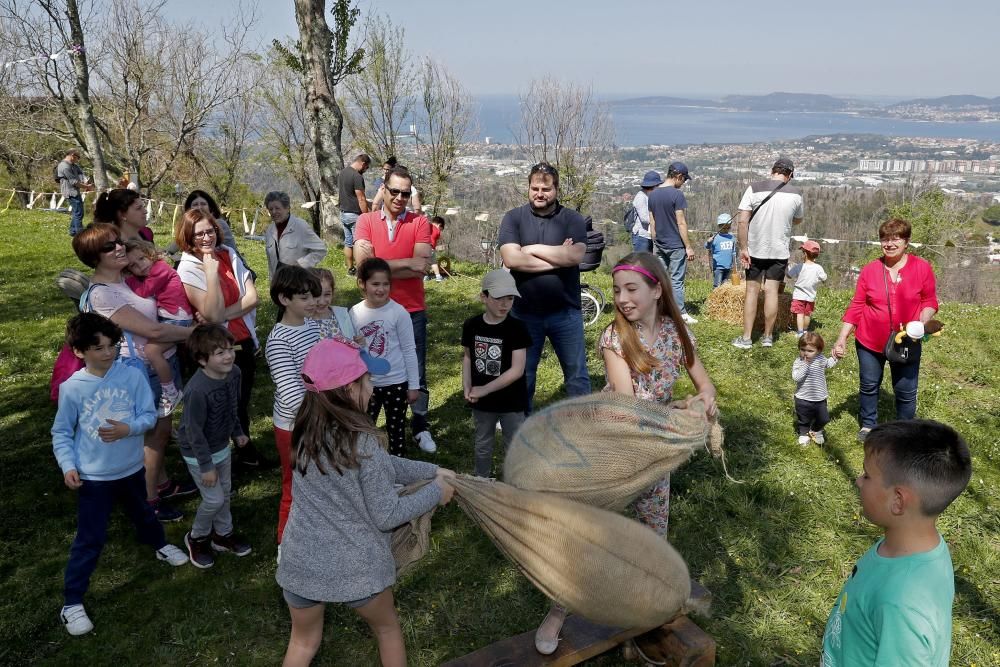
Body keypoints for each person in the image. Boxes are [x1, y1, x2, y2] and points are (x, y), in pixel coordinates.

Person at [535, 250, 717, 655]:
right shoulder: (615, 338)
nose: (621, 298)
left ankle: (639, 615)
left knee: (652, 536)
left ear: (657, 290)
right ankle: (559, 611)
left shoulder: (677, 334)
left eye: (631, 288)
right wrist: (677, 414)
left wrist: (705, 400)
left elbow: (704, 383)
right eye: (617, 290)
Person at [275, 337, 455, 667]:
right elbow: (387, 514)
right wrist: (435, 491)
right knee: (387, 630)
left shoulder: (305, 433)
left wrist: (432, 471)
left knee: (302, 643)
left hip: (300, 563)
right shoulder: (363, 442)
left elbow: (383, 466)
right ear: (348, 389)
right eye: (367, 380)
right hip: (356, 568)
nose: (373, 387)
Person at [52, 312, 188, 636]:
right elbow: (61, 432)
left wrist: (130, 428)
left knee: (143, 511)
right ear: (80, 352)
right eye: (99, 348)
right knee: (90, 537)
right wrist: (68, 466)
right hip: (94, 478)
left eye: (112, 345)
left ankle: (159, 544)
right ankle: (72, 603)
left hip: (131, 469)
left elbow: (147, 416)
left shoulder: (132, 376)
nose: (108, 353)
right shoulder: (73, 388)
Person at [822, 420, 971, 666]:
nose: (859, 481)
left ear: (898, 501)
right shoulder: (916, 545)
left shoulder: (902, 605)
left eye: (867, 476)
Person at [72, 223, 194, 522]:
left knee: (156, 433)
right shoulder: (102, 294)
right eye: (108, 247)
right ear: (94, 258)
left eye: (118, 242)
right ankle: (148, 501)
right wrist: (197, 333)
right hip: (142, 373)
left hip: (160, 363)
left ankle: (161, 483)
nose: (118, 248)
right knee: (155, 434)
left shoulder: (127, 278)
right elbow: (151, 328)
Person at [831, 218, 939, 442]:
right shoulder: (871, 270)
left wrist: (921, 323)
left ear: (906, 241)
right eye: (884, 239)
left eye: (895, 239)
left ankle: (904, 430)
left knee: (906, 390)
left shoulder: (922, 268)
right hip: (870, 340)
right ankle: (869, 424)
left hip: (907, 340)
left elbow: (930, 301)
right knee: (869, 384)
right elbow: (857, 305)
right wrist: (842, 338)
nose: (889, 244)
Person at [355, 167, 437, 453]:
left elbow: (421, 266)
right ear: (384, 188)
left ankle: (421, 426)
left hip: (411, 309)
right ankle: (370, 427)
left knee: (417, 368)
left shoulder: (420, 223)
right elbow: (361, 265)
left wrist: (378, 265)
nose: (401, 197)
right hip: (373, 310)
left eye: (406, 193)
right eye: (395, 191)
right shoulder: (365, 221)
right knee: (371, 367)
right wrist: (403, 265)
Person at [498, 161, 590, 413]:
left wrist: (532, 249)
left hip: (566, 312)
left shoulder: (572, 219)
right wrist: (558, 256)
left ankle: (583, 426)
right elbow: (511, 259)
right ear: (528, 188)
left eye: (546, 189)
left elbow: (575, 256)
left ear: (556, 189)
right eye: (535, 187)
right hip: (524, 313)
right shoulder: (513, 218)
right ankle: (523, 428)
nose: (540, 193)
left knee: (577, 375)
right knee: (524, 376)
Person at [176, 209, 262, 466]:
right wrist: (211, 273)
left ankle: (242, 453)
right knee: (218, 408)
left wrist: (219, 314)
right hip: (215, 350)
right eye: (199, 233)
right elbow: (210, 313)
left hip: (243, 340)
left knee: (240, 401)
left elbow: (252, 298)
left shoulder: (229, 254)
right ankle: (214, 459)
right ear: (188, 237)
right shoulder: (188, 267)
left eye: (210, 231)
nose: (206, 238)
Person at [177, 324, 252, 569]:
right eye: (219, 353)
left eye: (230, 349)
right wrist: (206, 465)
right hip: (199, 455)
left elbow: (232, 407)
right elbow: (193, 431)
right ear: (202, 359)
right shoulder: (197, 391)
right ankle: (197, 537)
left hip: (222, 447)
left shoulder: (235, 373)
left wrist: (238, 432)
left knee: (225, 493)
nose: (229, 356)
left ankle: (223, 535)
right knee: (214, 499)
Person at [264, 265, 322, 546]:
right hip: (294, 426)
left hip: (317, 419)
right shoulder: (278, 341)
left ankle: (312, 537)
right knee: (294, 486)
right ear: (284, 299)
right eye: (305, 298)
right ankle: (284, 548)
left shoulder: (311, 326)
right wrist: (320, 417)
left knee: (316, 482)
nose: (313, 303)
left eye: (313, 296)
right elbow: (291, 394)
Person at [461, 269, 531, 478]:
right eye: (498, 298)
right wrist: (467, 385)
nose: (505, 304)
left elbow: (517, 369)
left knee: (513, 444)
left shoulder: (517, 328)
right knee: (483, 443)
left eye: (509, 298)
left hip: (512, 402)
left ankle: (514, 484)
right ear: (484, 297)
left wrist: (485, 389)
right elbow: (468, 357)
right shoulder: (471, 325)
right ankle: (481, 481)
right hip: (482, 402)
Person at [351, 258, 421, 457]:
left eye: (385, 284)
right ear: (362, 284)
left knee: (396, 429)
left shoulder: (399, 313)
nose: (381, 289)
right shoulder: (354, 313)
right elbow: (349, 350)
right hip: (366, 385)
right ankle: (368, 466)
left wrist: (413, 385)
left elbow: (409, 349)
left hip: (396, 383)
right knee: (365, 430)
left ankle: (398, 466)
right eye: (375, 284)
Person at [732, 157, 804, 349]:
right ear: (790, 175)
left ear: (772, 170)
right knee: (772, 292)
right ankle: (768, 337)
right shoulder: (796, 194)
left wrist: (743, 248)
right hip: (779, 251)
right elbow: (797, 220)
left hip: (755, 249)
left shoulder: (753, 188)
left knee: (751, 292)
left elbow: (742, 221)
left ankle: (746, 338)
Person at [124, 239, 193, 417]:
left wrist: (125, 282)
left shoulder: (160, 268)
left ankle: (170, 391)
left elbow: (144, 290)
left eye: (141, 259)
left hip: (177, 319)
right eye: (133, 265)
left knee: (152, 350)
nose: (140, 266)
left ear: (150, 254)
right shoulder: (153, 271)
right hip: (171, 317)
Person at [649, 162, 697, 324]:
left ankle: (658, 309)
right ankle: (680, 313)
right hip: (676, 245)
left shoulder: (653, 194)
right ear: (678, 176)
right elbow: (681, 222)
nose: (683, 183)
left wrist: (656, 241)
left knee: (659, 279)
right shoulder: (677, 195)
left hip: (660, 243)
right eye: (683, 180)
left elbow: (652, 221)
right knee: (677, 280)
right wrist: (688, 247)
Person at [263, 191, 328, 279]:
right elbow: (271, 263)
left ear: (287, 208)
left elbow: (321, 250)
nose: (274, 212)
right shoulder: (269, 231)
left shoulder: (301, 226)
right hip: (278, 282)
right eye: (271, 209)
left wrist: (301, 264)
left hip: (299, 280)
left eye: (277, 208)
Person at [791, 332, 837, 446]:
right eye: (803, 350)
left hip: (820, 397)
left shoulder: (820, 359)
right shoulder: (799, 362)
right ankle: (803, 434)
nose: (806, 353)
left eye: (810, 351)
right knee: (804, 419)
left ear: (819, 351)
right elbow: (796, 377)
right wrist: (806, 365)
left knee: (824, 418)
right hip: (802, 398)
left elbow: (828, 364)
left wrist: (836, 358)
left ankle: (815, 430)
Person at [337, 153, 371, 276]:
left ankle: (351, 269)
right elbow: (361, 198)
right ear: (363, 163)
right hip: (355, 214)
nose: (365, 171)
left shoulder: (343, 173)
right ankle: (361, 270)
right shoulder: (356, 176)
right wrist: (366, 215)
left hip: (344, 213)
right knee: (359, 243)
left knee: (348, 242)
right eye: (366, 168)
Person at [787, 240, 827, 337]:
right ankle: (805, 330)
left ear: (805, 254)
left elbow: (789, 275)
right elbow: (824, 278)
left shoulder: (799, 267)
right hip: (811, 296)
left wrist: (786, 268)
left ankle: (800, 332)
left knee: (800, 314)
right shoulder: (818, 268)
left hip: (798, 295)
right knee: (807, 314)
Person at [57, 148, 91, 237]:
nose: (78, 159)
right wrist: (86, 187)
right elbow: (73, 182)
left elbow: (81, 173)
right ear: (72, 155)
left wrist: (86, 180)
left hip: (75, 191)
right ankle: (80, 234)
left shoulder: (73, 165)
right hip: (70, 192)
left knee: (77, 212)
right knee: (79, 212)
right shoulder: (64, 166)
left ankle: (73, 231)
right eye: (77, 157)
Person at [629, 171, 661, 253]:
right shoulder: (641, 197)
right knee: (641, 262)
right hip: (641, 236)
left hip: (647, 235)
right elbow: (645, 218)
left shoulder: (649, 196)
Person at [704, 213, 736, 288]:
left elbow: (733, 252)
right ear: (719, 226)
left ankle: (724, 299)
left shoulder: (731, 237)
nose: (726, 230)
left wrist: (734, 264)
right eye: (724, 228)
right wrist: (708, 242)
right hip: (718, 267)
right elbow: (707, 246)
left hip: (728, 266)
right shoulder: (715, 237)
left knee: (725, 286)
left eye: (728, 228)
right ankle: (714, 299)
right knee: (717, 285)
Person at [427, 216, 446, 282]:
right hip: (430, 248)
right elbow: (437, 240)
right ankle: (438, 277)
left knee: (426, 263)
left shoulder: (427, 226)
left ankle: (425, 276)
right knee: (433, 263)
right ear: (439, 225)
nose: (440, 230)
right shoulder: (437, 231)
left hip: (423, 247)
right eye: (441, 229)